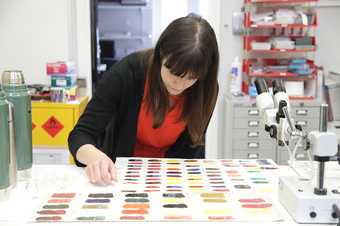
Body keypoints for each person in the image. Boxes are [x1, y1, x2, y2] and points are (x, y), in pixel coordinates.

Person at [68, 14, 219, 185]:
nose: (179, 85)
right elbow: (79, 135)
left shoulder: (205, 89)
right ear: (161, 55)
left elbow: (193, 151)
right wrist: (95, 158)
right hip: (118, 176)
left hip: (169, 178)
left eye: (191, 78)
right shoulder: (126, 74)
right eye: (174, 73)